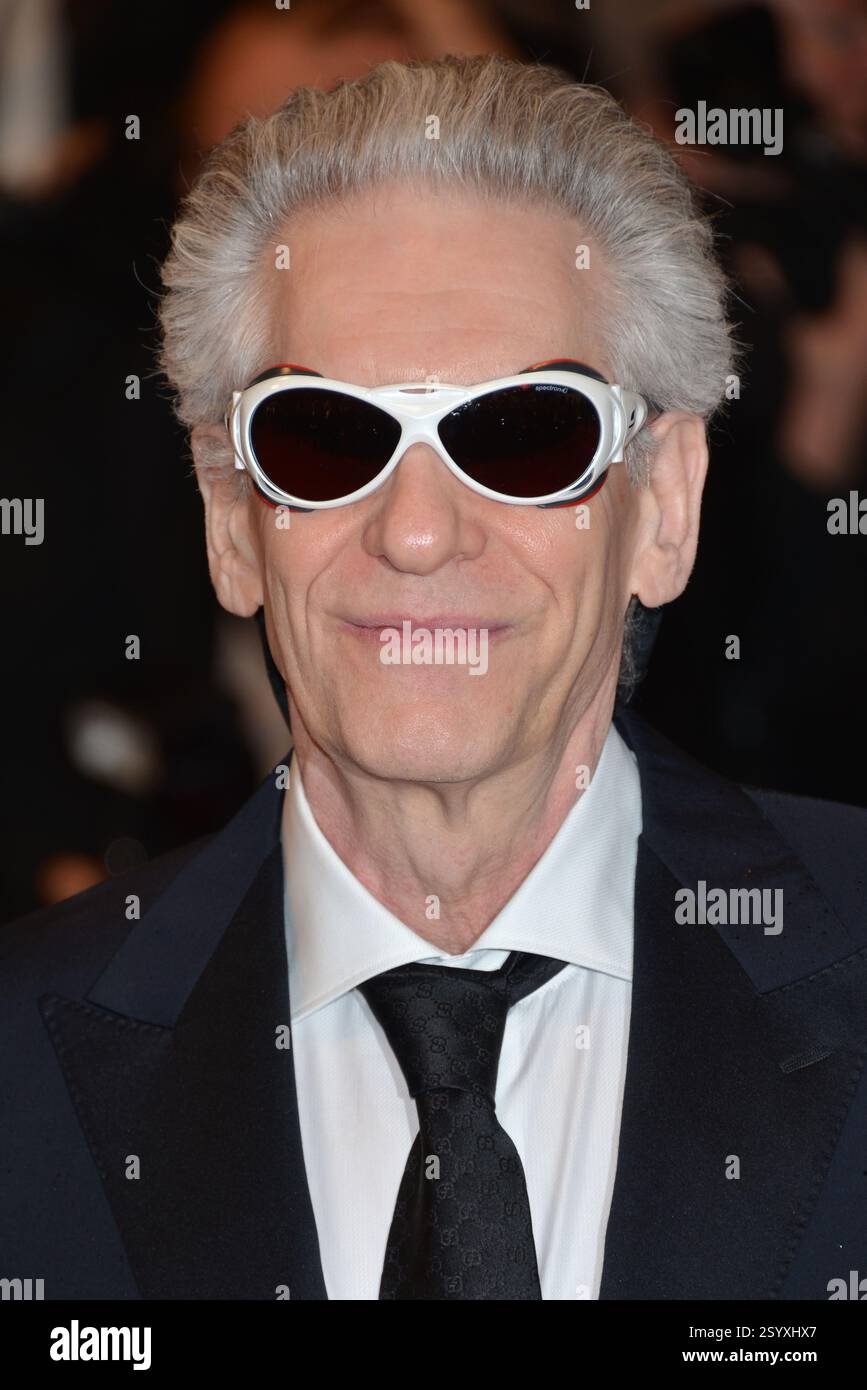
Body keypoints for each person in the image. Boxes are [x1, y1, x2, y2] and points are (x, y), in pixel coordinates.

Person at [2, 54, 865, 1302]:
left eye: (524, 433)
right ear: (231, 519)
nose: (416, 530)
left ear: (664, 508)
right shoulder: (20, 1064)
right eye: (325, 437)